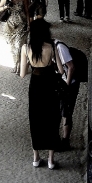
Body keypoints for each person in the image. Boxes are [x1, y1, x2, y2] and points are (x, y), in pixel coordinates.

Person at [19, 18, 62, 170]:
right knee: (51, 118)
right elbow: (61, 70)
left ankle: (36, 157)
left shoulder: (25, 48)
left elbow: (23, 74)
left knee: (35, 118)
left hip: (35, 85)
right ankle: (51, 159)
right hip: (49, 84)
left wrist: (33, 63)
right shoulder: (51, 46)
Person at [53, 38, 80, 151]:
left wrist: (67, 86)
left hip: (70, 84)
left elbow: (71, 67)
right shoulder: (50, 47)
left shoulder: (60, 48)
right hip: (62, 83)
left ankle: (65, 141)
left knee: (66, 112)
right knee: (60, 110)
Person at [0, 0, 30, 74]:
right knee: (12, 47)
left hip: (21, 24)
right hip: (9, 26)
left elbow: (27, 11)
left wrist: (29, 24)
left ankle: (19, 66)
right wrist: (6, 6)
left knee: (19, 45)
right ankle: (15, 64)